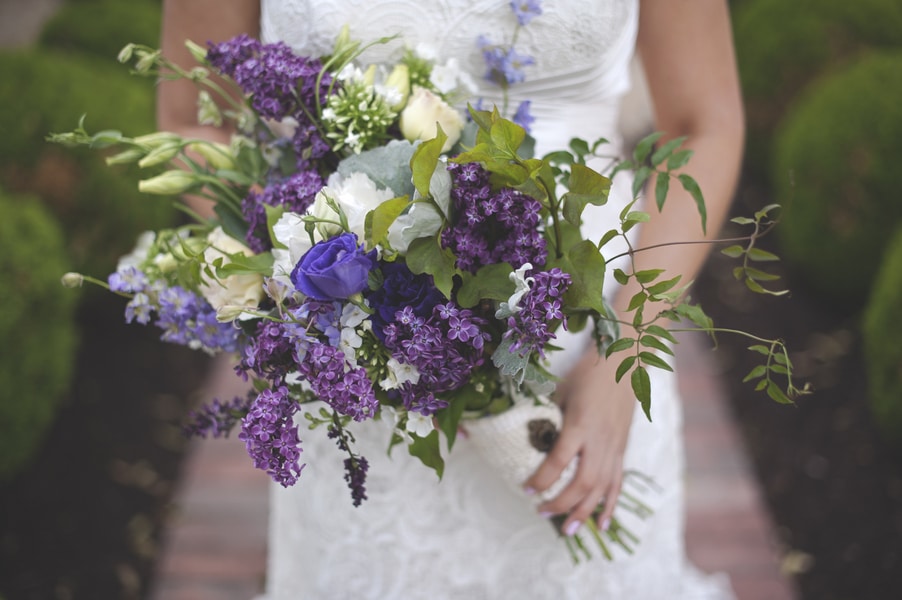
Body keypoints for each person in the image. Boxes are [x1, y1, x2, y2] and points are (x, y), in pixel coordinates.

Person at [159, 0, 744, 597]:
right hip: (357, 358)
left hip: (589, 341)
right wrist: (314, 273)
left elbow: (705, 124)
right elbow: (191, 121)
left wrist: (625, 354)